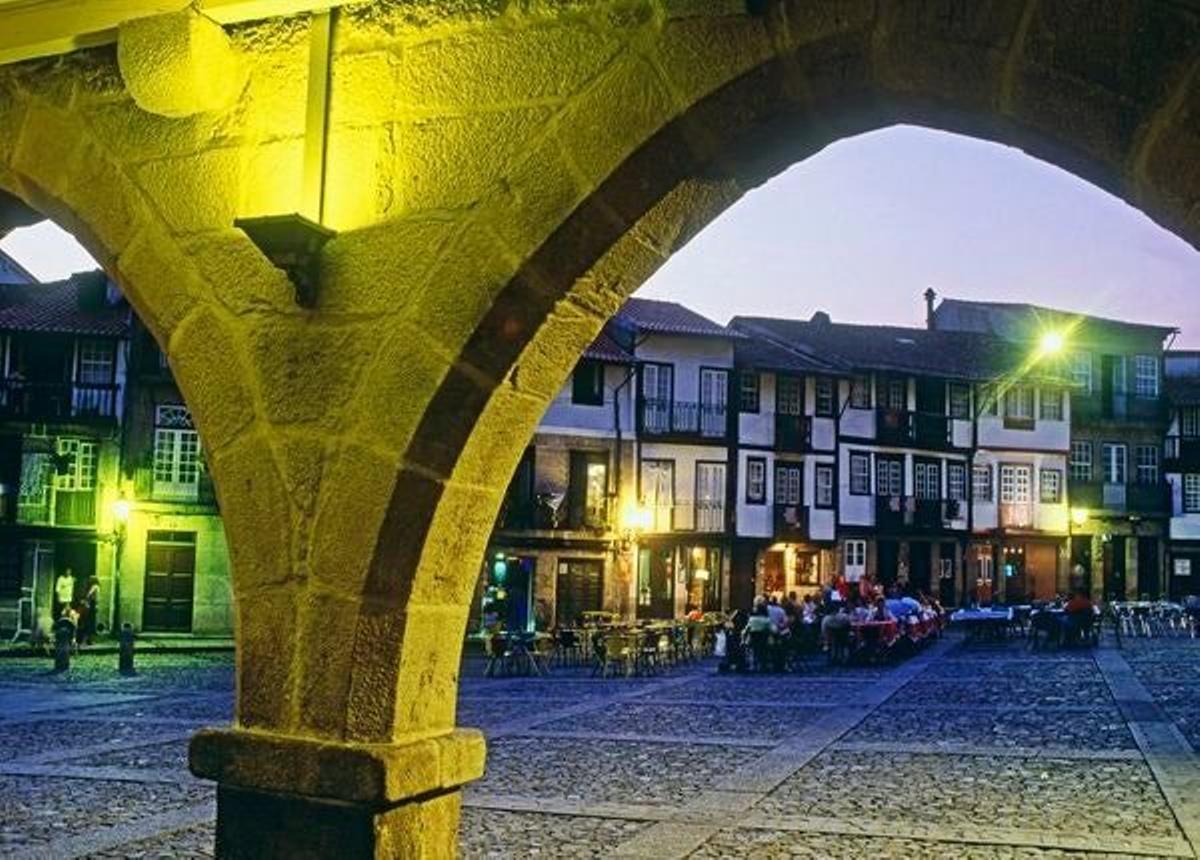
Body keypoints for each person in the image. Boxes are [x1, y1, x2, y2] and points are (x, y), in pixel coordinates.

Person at [80, 576, 100, 645]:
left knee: (88, 622)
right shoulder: (96, 587)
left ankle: (86, 640)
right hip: (92, 605)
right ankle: (89, 640)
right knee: (91, 622)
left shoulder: (91, 587)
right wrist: (96, 604)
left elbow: (88, 595)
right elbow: (93, 596)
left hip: (90, 605)